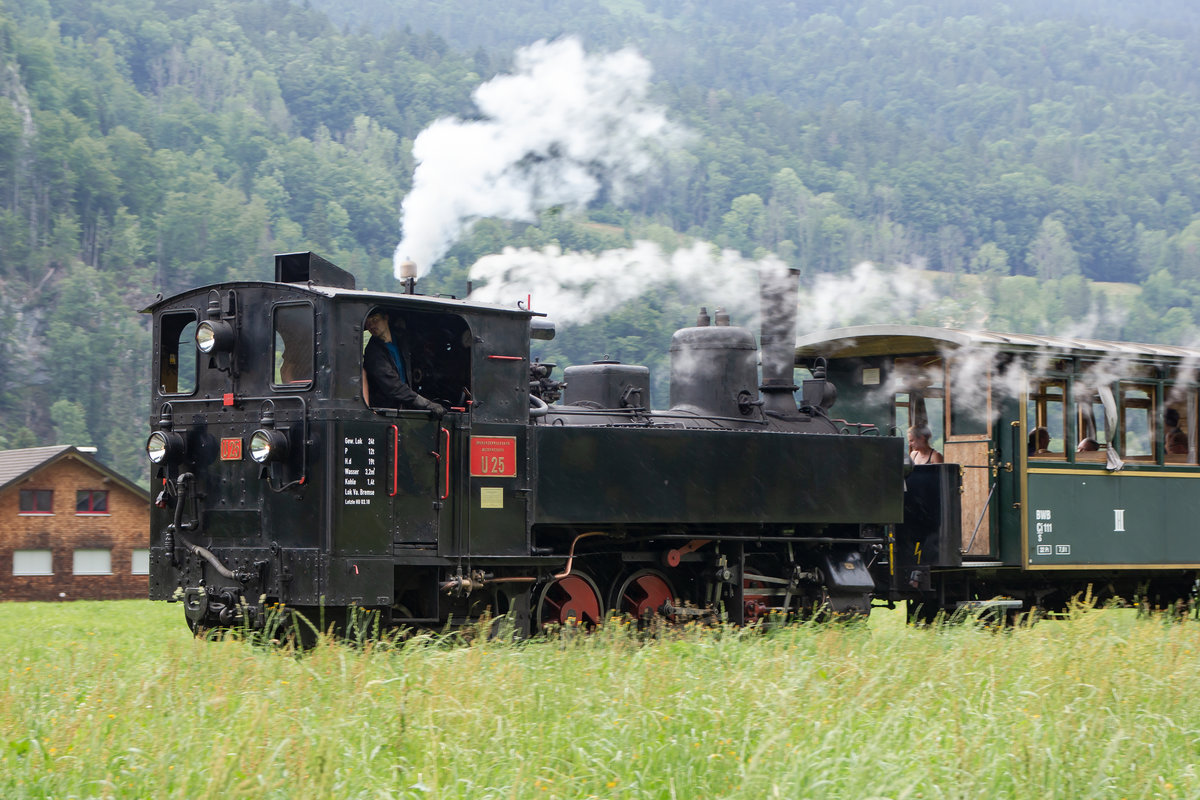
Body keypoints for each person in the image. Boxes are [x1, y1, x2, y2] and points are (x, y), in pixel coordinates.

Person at [362, 311, 444, 418]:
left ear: (386, 318)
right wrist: (425, 404)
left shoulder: (401, 340)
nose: (371, 326)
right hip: (385, 411)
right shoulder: (373, 352)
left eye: (375, 320)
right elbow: (392, 386)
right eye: (368, 323)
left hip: (403, 406)